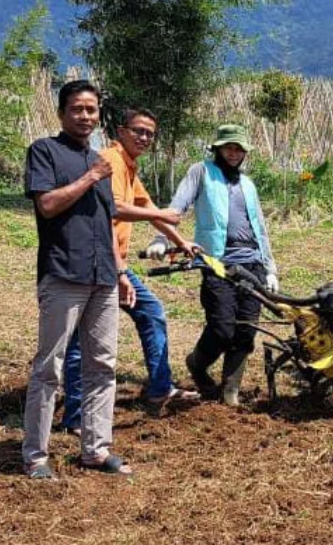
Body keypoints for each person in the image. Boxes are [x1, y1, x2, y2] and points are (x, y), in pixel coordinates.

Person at [58, 108, 199, 436]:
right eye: (138, 131)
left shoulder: (129, 165)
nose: (144, 137)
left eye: (150, 133)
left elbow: (149, 211)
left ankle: (160, 386)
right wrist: (120, 271)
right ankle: (75, 416)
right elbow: (113, 209)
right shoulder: (111, 160)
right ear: (121, 131)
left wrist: (182, 242)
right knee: (83, 339)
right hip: (97, 262)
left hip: (113, 261)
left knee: (151, 312)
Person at [21, 80, 129, 479]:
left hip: (102, 278)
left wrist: (120, 272)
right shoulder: (45, 151)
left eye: (92, 109)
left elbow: (105, 221)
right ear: (62, 113)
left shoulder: (100, 160)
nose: (86, 116)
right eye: (77, 109)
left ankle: (96, 450)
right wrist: (91, 177)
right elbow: (47, 205)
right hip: (64, 273)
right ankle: (36, 455)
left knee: (103, 365)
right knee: (49, 367)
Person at [147, 124, 278, 407]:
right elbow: (177, 206)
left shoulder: (248, 184)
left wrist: (270, 268)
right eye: (229, 147)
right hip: (218, 262)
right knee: (222, 327)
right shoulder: (202, 172)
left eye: (239, 148)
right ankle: (197, 363)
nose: (234, 153)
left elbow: (261, 229)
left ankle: (230, 391)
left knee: (246, 331)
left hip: (251, 264)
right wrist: (160, 238)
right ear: (217, 148)